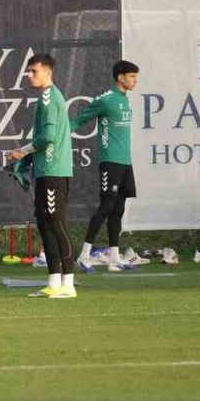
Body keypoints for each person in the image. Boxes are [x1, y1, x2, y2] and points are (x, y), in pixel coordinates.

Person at [8, 53, 76, 298]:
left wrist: (22, 151)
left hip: (54, 170)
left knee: (56, 223)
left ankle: (68, 284)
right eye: (29, 71)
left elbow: (47, 138)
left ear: (48, 72)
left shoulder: (49, 97)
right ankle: (54, 282)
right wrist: (26, 156)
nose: (29, 75)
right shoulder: (45, 98)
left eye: (34, 71)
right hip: (46, 170)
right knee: (45, 224)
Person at [72, 60, 138, 273]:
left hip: (125, 162)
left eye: (135, 76)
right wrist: (58, 138)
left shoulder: (125, 100)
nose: (135, 80)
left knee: (118, 209)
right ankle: (84, 256)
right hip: (110, 161)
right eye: (131, 76)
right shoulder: (105, 100)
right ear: (120, 77)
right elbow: (78, 120)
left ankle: (114, 259)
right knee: (106, 206)